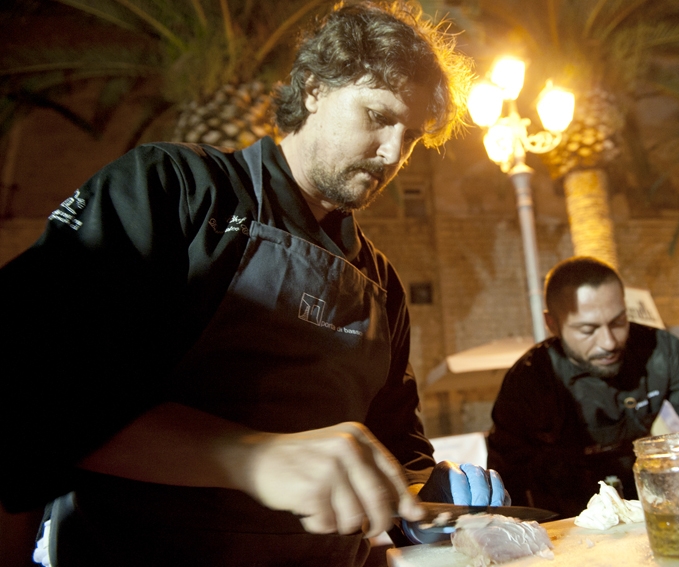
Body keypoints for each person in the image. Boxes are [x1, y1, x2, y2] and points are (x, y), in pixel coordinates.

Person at [0, 2, 509, 566]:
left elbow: (400, 452)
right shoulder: (176, 192)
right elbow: (27, 380)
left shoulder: (381, 284)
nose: (392, 152)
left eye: (410, 136)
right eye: (376, 116)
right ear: (314, 88)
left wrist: (428, 493)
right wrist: (250, 459)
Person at [487, 256, 679, 519]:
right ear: (552, 324)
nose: (609, 342)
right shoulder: (529, 381)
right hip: (566, 519)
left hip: (643, 506)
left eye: (618, 322)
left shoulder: (660, 352)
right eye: (587, 329)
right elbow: (506, 483)